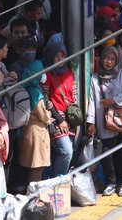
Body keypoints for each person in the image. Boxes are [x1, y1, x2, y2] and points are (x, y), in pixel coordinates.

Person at [86, 46, 122, 197]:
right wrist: (91, 122)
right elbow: (92, 101)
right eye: (106, 58)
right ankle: (111, 182)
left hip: (121, 119)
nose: (108, 62)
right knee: (107, 153)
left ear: (117, 60)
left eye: (112, 59)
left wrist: (113, 100)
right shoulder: (95, 78)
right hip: (104, 121)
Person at [41, 42, 76, 177]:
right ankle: (57, 183)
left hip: (70, 120)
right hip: (56, 120)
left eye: (63, 56)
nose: (61, 59)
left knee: (67, 152)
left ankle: (58, 188)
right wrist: (60, 119)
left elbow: (73, 96)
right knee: (66, 151)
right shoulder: (47, 75)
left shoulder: (68, 72)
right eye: (57, 57)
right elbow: (45, 99)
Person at [17, 60, 51, 192]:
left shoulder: (25, 88)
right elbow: (43, 115)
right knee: (37, 168)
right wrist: (49, 115)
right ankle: (33, 197)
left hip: (27, 131)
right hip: (37, 133)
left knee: (32, 167)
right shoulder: (36, 93)